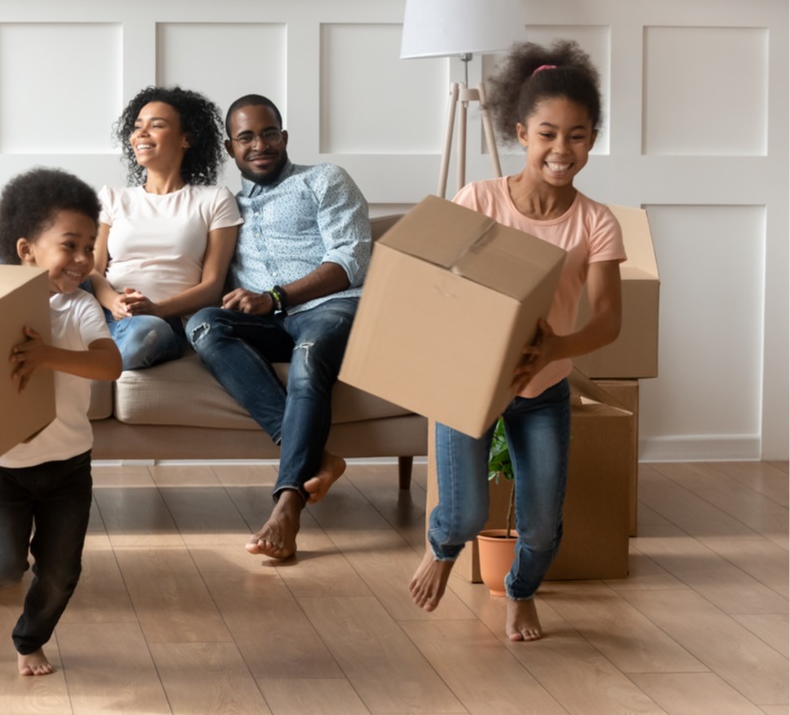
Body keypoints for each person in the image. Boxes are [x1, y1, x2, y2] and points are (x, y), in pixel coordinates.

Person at [408, 40, 625, 642]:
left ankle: (520, 591)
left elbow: (608, 319)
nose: (562, 150)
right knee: (466, 514)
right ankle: (444, 548)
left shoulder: (595, 222)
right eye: (548, 134)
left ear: (592, 137)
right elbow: (434, 288)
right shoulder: (479, 199)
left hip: (543, 386)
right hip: (470, 383)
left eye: (578, 136)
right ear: (520, 132)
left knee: (543, 526)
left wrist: (557, 347)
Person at [0, 168, 122, 675]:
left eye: (90, 246)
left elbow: (110, 365)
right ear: (27, 250)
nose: (84, 259)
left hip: (69, 465)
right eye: (70, 245)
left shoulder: (80, 307)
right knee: (4, 566)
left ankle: (29, 640)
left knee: (62, 572)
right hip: (7, 466)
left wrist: (46, 355)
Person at [185, 94, 372, 561]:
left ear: (284, 137)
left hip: (331, 308)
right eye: (246, 137)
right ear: (231, 148)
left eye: (269, 133)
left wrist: (276, 297)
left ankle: (287, 505)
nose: (259, 144)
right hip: (267, 322)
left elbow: (351, 260)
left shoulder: (323, 179)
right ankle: (315, 455)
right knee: (205, 325)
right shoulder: (225, 207)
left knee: (310, 358)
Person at [89, 86, 242, 370]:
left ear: (187, 138)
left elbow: (211, 288)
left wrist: (156, 309)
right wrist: (115, 303)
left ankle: (88, 358)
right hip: (107, 314)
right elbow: (94, 270)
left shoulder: (214, 199)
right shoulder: (113, 197)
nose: (140, 134)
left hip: (162, 323)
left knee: (146, 333)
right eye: (137, 127)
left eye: (156, 125)